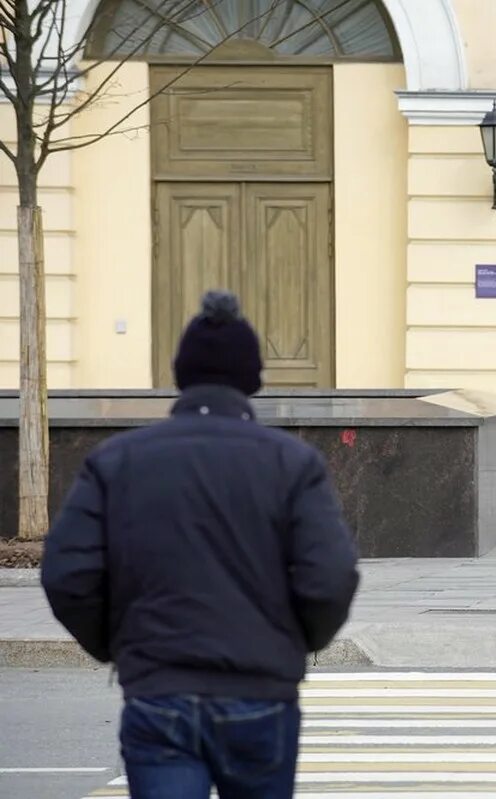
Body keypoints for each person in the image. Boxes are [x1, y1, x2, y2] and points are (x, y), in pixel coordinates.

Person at [41, 291, 360, 799]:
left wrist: (118, 645)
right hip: (260, 691)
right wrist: (294, 644)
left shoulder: (118, 460)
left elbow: (67, 573)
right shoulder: (291, 463)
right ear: (252, 378)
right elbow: (332, 576)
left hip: (158, 688)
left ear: (180, 375)